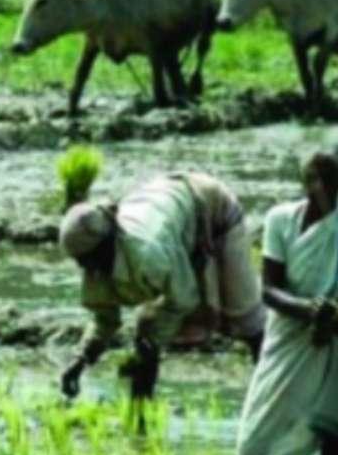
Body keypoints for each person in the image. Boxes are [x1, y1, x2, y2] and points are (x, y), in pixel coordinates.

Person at [236, 148, 338, 455]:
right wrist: (307, 311)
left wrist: (330, 320)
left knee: (333, 426)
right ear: (304, 180)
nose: (320, 187)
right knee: (254, 434)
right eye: (314, 178)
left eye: (329, 179)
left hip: (336, 338)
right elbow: (268, 289)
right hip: (287, 334)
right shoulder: (279, 219)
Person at [57, 172, 263, 408]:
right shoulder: (96, 264)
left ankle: (274, 395)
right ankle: (139, 417)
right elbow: (105, 318)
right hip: (164, 207)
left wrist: (153, 340)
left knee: (246, 318)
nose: (82, 267)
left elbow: (185, 298)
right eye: (79, 261)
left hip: (210, 206)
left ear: (102, 248)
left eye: (85, 260)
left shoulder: (148, 254)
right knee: (146, 336)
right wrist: (81, 359)